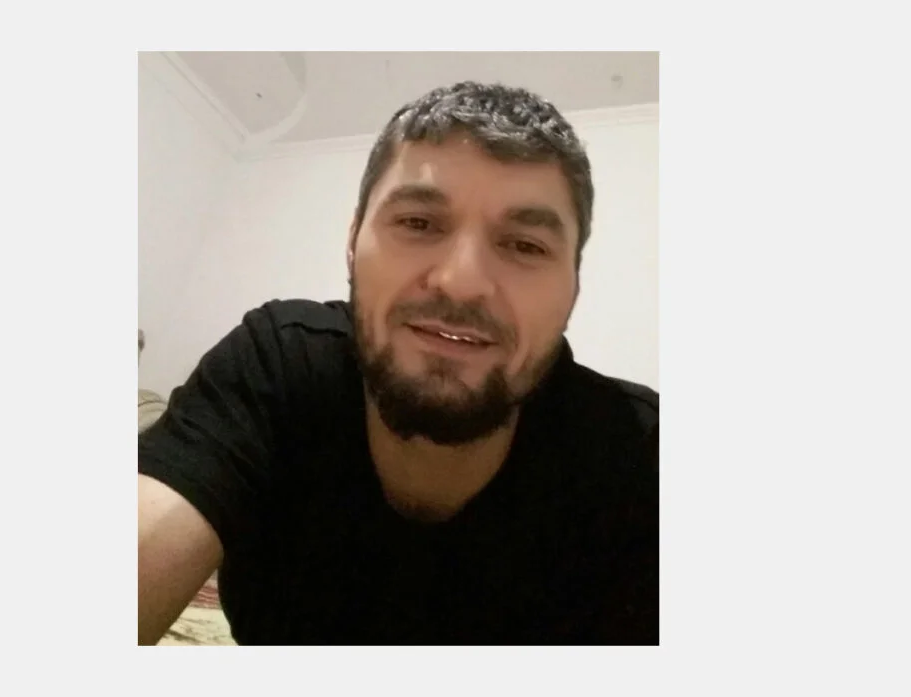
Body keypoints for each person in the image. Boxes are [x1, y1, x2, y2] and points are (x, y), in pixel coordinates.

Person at [138, 81, 658, 645]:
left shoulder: (642, 459)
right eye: (418, 223)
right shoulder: (276, 365)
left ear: (575, 286)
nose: (461, 282)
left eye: (525, 245)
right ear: (352, 241)